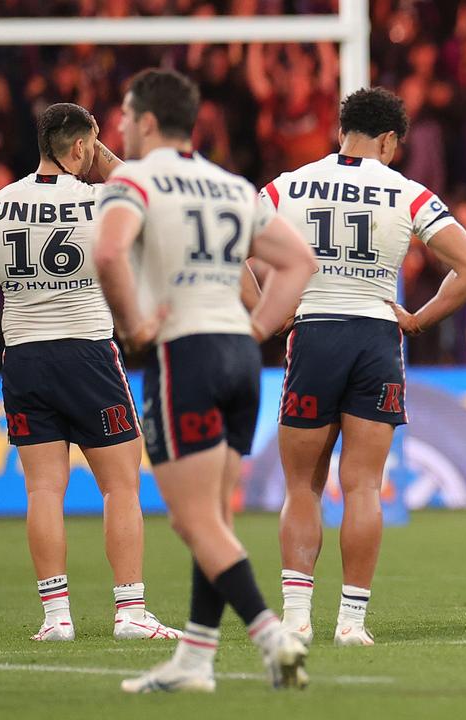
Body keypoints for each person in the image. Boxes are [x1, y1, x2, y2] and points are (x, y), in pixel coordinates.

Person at [94, 68, 317, 692]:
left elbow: (109, 252)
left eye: (123, 115)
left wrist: (134, 322)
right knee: (213, 517)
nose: (117, 126)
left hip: (183, 354)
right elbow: (298, 261)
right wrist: (258, 326)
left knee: (194, 522)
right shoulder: (230, 184)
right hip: (240, 359)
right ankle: (195, 659)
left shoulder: (132, 179)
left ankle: (273, 638)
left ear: (143, 121)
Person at [259, 87, 466, 647]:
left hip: (313, 333)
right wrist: (421, 319)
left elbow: (232, 245)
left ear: (342, 130)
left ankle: (294, 620)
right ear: (388, 140)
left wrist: (267, 310)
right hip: (375, 336)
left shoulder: (286, 186)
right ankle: (352, 624)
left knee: (302, 487)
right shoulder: (406, 192)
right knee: (362, 486)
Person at [0, 102, 180, 643]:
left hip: (25, 360)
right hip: (87, 352)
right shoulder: (103, 198)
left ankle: (56, 618)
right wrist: (97, 151)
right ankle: (129, 612)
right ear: (81, 147)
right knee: (121, 485)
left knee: (42, 491)